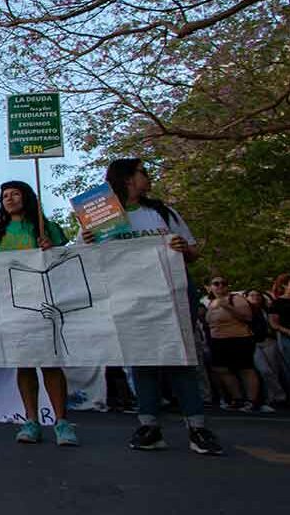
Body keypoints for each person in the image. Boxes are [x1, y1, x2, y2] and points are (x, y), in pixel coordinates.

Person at [80, 158, 222, 455]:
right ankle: (149, 427)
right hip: (129, 298)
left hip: (170, 295)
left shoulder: (161, 212)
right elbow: (83, 257)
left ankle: (197, 428)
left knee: (181, 360)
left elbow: (193, 251)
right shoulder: (103, 215)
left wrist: (184, 249)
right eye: (143, 172)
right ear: (128, 179)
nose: (148, 177)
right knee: (141, 360)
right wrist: (86, 240)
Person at [0, 180, 77, 446]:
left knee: (50, 362)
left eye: (15, 194)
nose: (9, 199)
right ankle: (31, 420)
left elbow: (65, 259)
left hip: (45, 301)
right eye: (5, 196)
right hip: (13, 304)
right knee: (24, 363)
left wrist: (50, 249)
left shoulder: (45, 227)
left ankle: (62, 422)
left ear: (27, 197)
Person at [204, 277, 268, 413]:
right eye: (216, 284)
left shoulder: (236, 299)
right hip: (218, 341)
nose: (220, 286)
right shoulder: (211, 302)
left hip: (239, 338)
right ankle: (237, 398)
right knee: (221, 369)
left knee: (245, 368)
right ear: (209, 287)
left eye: (223, 283)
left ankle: (252, 401)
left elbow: (247, 317)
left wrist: (227, 306)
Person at [246, 290, 286, 407]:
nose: (255, 297)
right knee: (264, 370)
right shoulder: (245, 311)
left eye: (258, 295)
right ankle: (278, 396)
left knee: (274, 371)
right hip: (253, 343)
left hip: (268, 341)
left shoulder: (266, 310)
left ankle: (273, 397)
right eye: (251, 295)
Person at [270, 274, 290, 391]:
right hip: (286, 337)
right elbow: (273, 323)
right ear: (285, 285)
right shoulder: (278, 302)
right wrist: (287, 331)